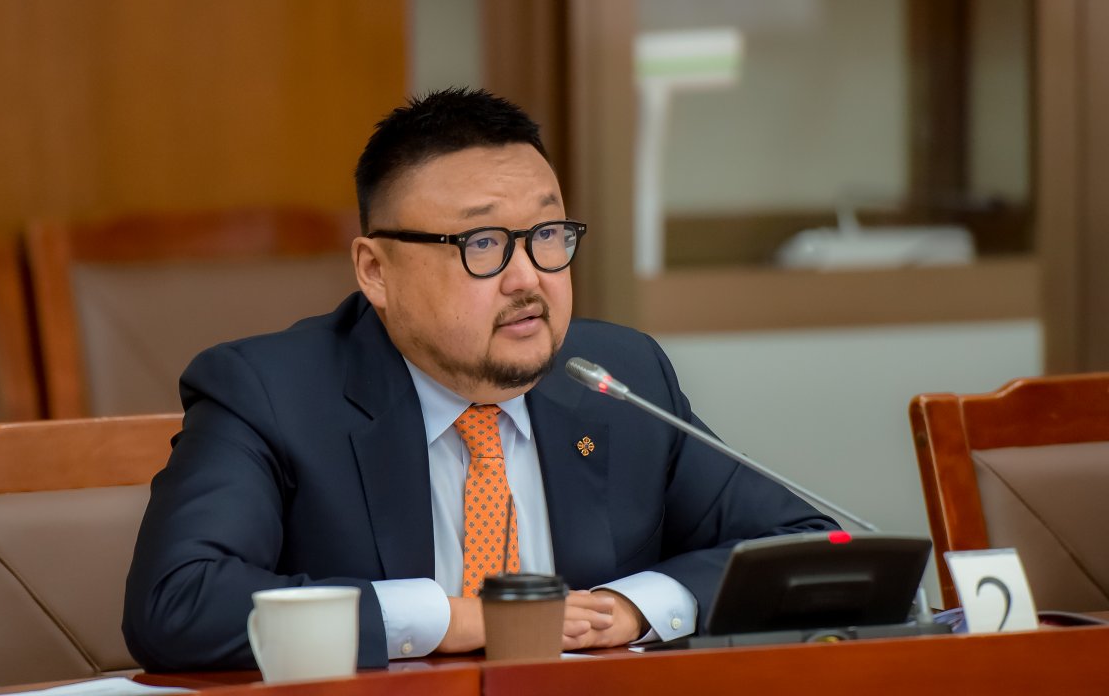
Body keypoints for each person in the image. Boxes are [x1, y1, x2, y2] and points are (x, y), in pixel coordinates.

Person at [123, 88, 837, 671]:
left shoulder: (617, 379)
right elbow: (178, 603)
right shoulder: (269, 393)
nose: (528, 278)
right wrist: (456, 620)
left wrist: (635, 608)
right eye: (483, 243)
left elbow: (807, 547)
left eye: (548, 236)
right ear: (375, 270)